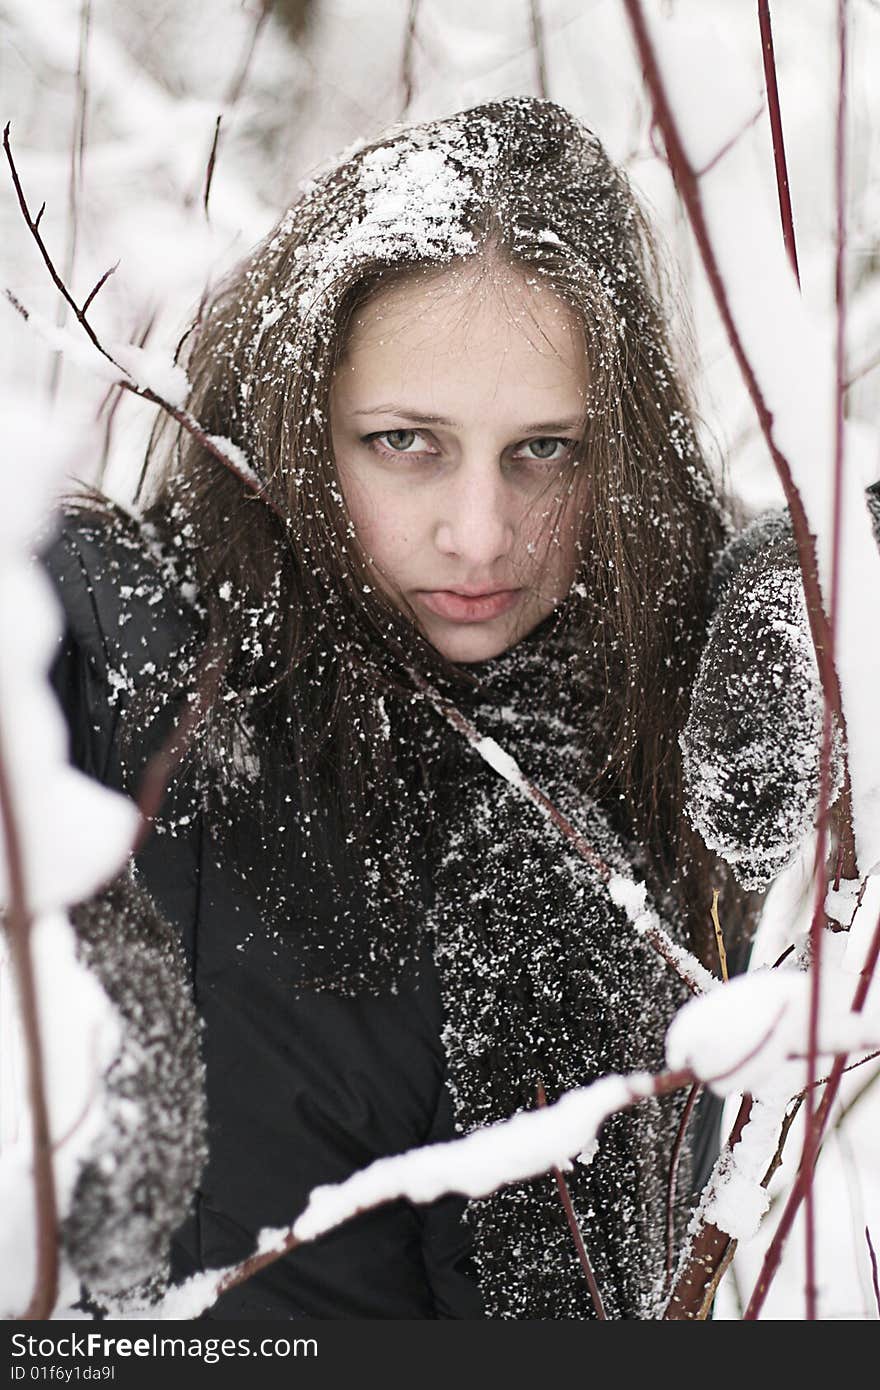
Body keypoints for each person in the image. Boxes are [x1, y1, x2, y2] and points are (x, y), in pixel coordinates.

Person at [41, 97, 841, 1320]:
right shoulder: (126, 657)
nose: (480, 535)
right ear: (297, 421)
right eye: (405, 440)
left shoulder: (664, 712)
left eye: (546, 450)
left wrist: (841, 561)